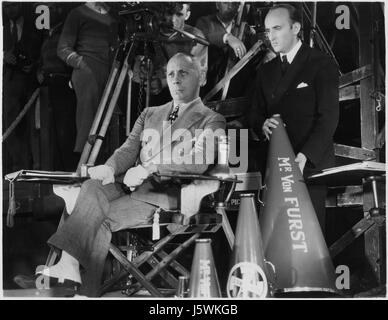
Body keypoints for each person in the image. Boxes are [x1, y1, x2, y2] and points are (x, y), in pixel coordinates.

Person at [36, 53, 226, 297]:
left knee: (97, 215)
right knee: (91, 187)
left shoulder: (212, 118)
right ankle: (71, 266)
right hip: (128, 186)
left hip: (164, 194)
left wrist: (149, 168)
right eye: (170, 74)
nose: (175, 79)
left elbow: (199, 161)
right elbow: (128, 149)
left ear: (200, 78)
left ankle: (82, 285)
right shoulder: (150, 113)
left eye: (183, 73)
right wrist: (111, 167)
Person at [247, 4, 339, 233]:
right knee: (276, 236)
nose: (271, 36)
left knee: (308, 236)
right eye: (268, 31)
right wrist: (261, 123)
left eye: (277, 28)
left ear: (296, 27)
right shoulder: (265, 72)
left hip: (309, 167)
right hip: (275, 165)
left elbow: (328, 118)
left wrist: (305, 156)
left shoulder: (321, 63)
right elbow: (254, 113)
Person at [57, 2, 118, 154]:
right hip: (88, 72)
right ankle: (83, 169)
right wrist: (81, 65)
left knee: (110, 122)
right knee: (88, 124)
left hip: (111, 72)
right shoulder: (77, 13)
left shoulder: (113, 13)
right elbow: (62, 48)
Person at [2, 2, 42, 172]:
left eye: (14, 5)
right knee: (11, 125)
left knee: (33, 127)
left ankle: (33, 166)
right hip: (10, 85)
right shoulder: (3, 29)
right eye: (6, 6)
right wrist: (4, 56)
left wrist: (34, 65)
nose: (10, 9)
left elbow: (44, 50)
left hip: (31, 83)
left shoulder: (36, 25)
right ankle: (17, 166)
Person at [196, 2, 254, 98]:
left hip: (232, 92)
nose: (230, 6)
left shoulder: (244, 29)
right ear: (217, 5)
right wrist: (227, 37)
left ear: (239, 7)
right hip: (207, 88)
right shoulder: (204, 22)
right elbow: (206, 35)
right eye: (226, 2)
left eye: (234, 3)